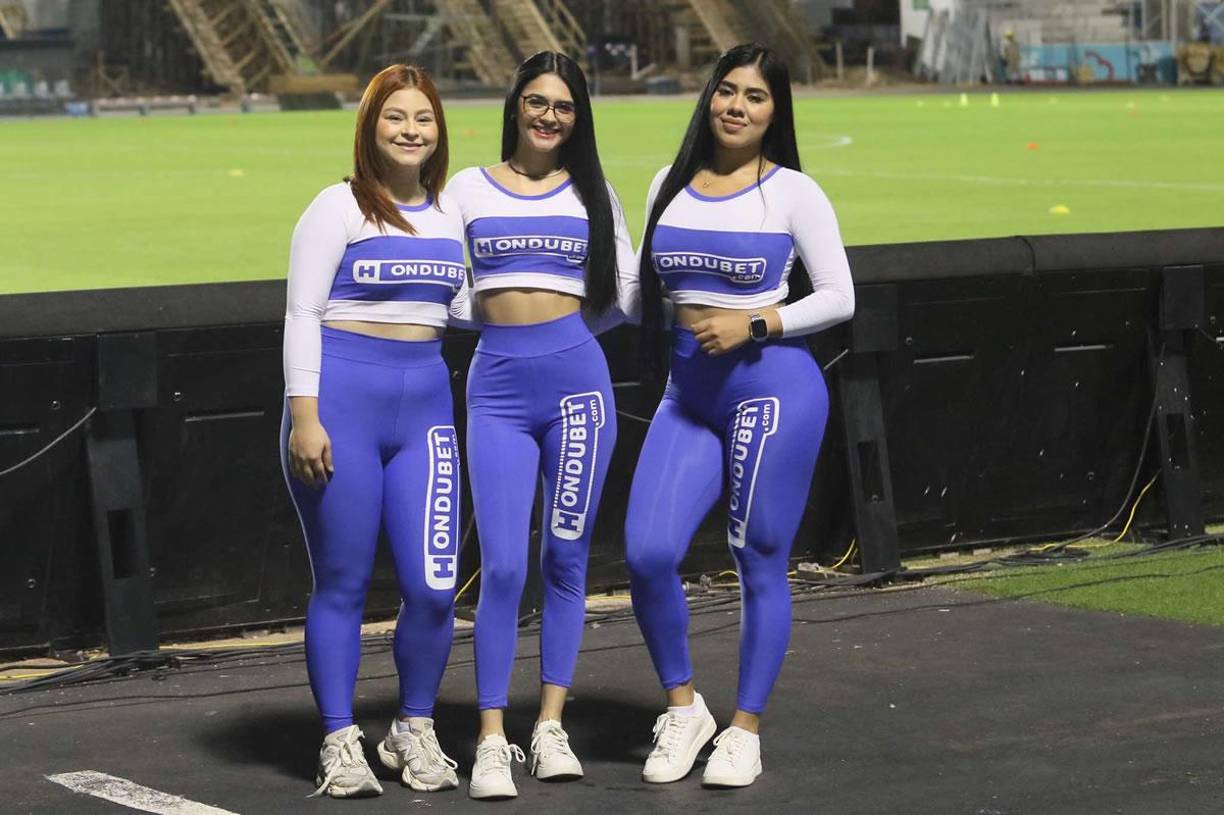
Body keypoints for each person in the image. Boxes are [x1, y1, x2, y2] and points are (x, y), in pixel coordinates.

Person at [624, 43, 855, 788]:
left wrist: (756, 322)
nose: (736, 106)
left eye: (755, 97)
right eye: (727, 91)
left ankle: (745, 728)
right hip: (688, 396)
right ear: (709, 96)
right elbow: (639, 292)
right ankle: (684, 708)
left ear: (774, 112)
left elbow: (838, 294)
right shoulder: (668, 182)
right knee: (648, 553)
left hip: (772, 390)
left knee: (757, 555)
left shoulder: (792, 192)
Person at [280, 63, 475, 799]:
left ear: (438, 131)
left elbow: (457, 311)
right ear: (370, 127)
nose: (410, 130)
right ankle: (338, 738)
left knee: (432, 586)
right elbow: (302, 314)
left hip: (424, 410)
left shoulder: (450, 214)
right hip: (339, 410)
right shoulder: (336, 208)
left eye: (423, 118)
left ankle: (412, 727)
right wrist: (306, 413)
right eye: (396, 117)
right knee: (343, 582)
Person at [446, 50, 636, 800]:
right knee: (501, 566)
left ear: (577, 116)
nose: (549, 116)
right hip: (495, 386)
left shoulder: (593, 192)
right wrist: (488, 320)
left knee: (566, 556)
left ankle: (549, 724)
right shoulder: (467, 188)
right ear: (515, 106)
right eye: (537, 102)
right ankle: (492, 737)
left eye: (563, 105)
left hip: (578, 388)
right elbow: (440, 275)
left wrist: (566, 333)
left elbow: (623, 291)